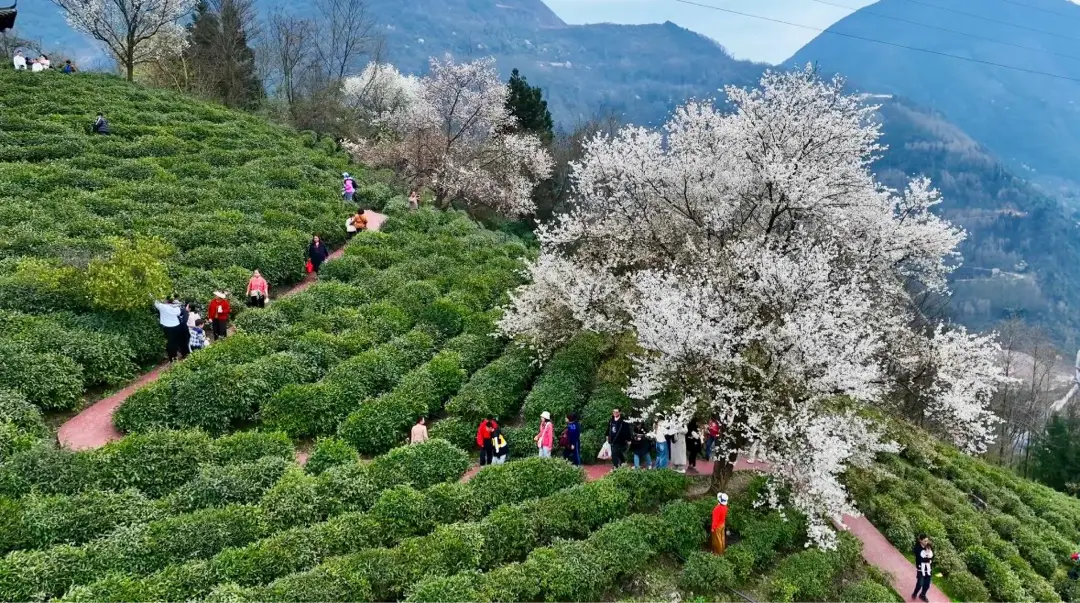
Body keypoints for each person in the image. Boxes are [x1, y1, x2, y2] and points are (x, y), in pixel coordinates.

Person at [153, 296, 184, 362]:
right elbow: (179, 312)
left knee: (170, 343)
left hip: (167, 327)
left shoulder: (162, 307)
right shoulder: (176, 308)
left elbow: (155, 301)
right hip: (176, 326)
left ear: (166, 300)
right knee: (175, 342)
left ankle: (171, 358)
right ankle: (175, 356)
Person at [912, 535, 934, 602]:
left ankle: (922, 595)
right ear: (920, 540)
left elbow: (932, 555)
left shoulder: (929, 547)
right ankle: (915, 593)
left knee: (927, 584)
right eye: (925, 541)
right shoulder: (917, 548)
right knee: (920, 584)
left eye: (927, 540)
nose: (926, 542)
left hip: (928, 569)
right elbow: (918, 557)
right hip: (920, 569)